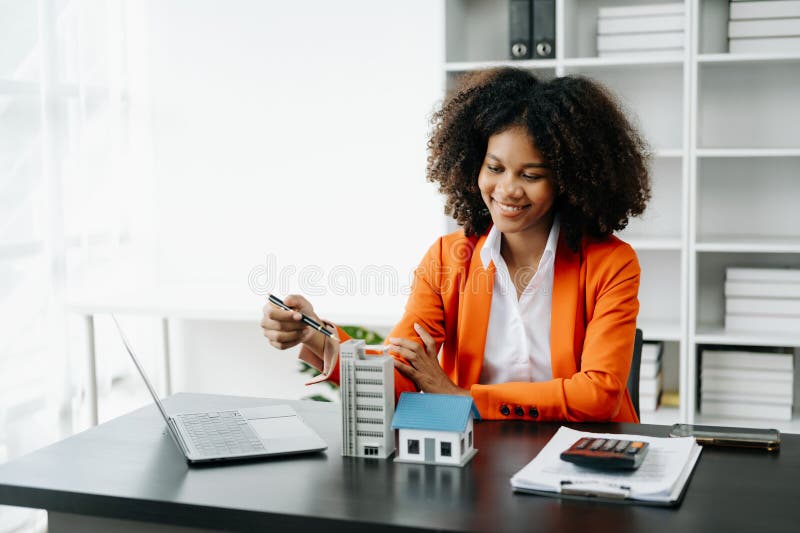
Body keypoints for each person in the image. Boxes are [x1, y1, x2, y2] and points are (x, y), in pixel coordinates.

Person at [261, 67, 650, 422]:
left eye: (531, 175)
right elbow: (399, 376)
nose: (508, 190)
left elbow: (598, 395)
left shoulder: (611, 263)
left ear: (569, 181)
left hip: (584, 457)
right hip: (479, 461)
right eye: (494, 168)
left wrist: (460, 397)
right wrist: (314, 335)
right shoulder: (448, 259)